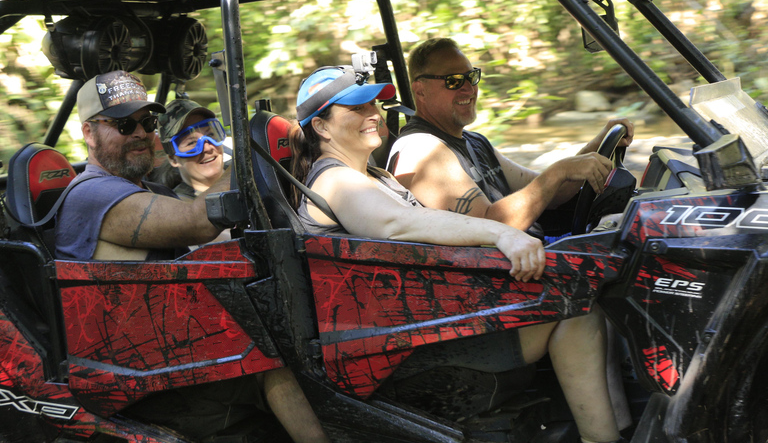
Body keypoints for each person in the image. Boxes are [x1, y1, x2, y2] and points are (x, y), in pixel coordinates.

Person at [289, 65, 623, 443]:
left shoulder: (376, 177)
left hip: (423, 319)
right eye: (356, 108)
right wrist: (501, 233)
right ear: (322, 127)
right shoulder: (334, 179)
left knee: (581, 291)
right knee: (577, 308)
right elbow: (397, 225)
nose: (373, 115)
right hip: (397, 347)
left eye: (373, 105)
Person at [55, 70, 329, 443]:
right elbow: (197, 222)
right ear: (89, 133)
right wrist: (252, 153)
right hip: (141, 376)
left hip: (179, 350)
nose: (140, 133)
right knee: (273, 359)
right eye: (124, 125)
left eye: (147, 123)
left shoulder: (151, 191)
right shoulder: (91, 195)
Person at [387, 37, 634, 238]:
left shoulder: (474, 142)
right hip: (498, 272)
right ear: (420, 90)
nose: (468, 89)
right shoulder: (421, 151)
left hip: (527, 254)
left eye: (471, 77)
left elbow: (550, 194)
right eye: (453, 81)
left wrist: (596, 146)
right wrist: (559, 171)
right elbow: (488, 228)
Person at [157, 99, 230, 245]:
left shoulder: (251, 179)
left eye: (211, 135)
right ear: (173, 159)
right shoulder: (176, 208)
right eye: (191, 143)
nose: (207, 147)